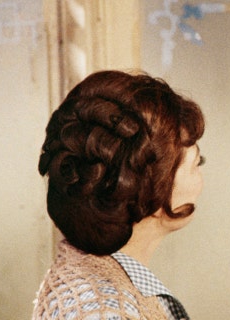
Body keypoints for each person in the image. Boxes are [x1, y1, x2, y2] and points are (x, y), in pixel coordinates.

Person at [32, 70, 205, 319]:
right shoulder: (107, 310)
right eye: (197, 163)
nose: (201, 177)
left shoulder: (90, 280)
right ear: (155, 193)